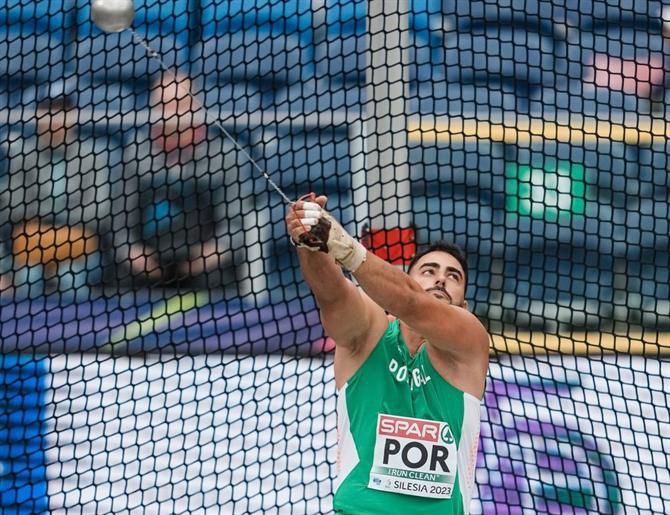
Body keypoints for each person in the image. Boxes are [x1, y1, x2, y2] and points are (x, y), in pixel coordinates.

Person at [285, 195, 490, 514]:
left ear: (464, 306)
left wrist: (347, 248)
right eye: (429, 270)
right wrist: (312, 245)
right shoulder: (369, 335)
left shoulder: (470, 342)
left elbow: (413, 304)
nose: (440, 279)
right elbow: (333, 293)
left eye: (454, 276)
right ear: (405, 279)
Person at [118, 71, 246, 288]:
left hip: (206, 267)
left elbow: (235, 224)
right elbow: (120, 222)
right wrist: (132, 253)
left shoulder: (224, 154)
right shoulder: (136, 152)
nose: (170, 113)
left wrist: (212, 254)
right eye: (163, 104)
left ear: (195, 107)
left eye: (180, 104)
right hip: (147, 266)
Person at [0, 83, 121, 299]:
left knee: (71, 278)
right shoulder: (23, 157)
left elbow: (99, 210)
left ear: (73, 116)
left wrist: (53, 222)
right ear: (37, 117)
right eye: (48, 111)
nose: (55, 120)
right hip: (33, 248)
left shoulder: (92, 157)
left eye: (62, 111)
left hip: (80, 247)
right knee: (29, 277)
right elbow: (14, 206)